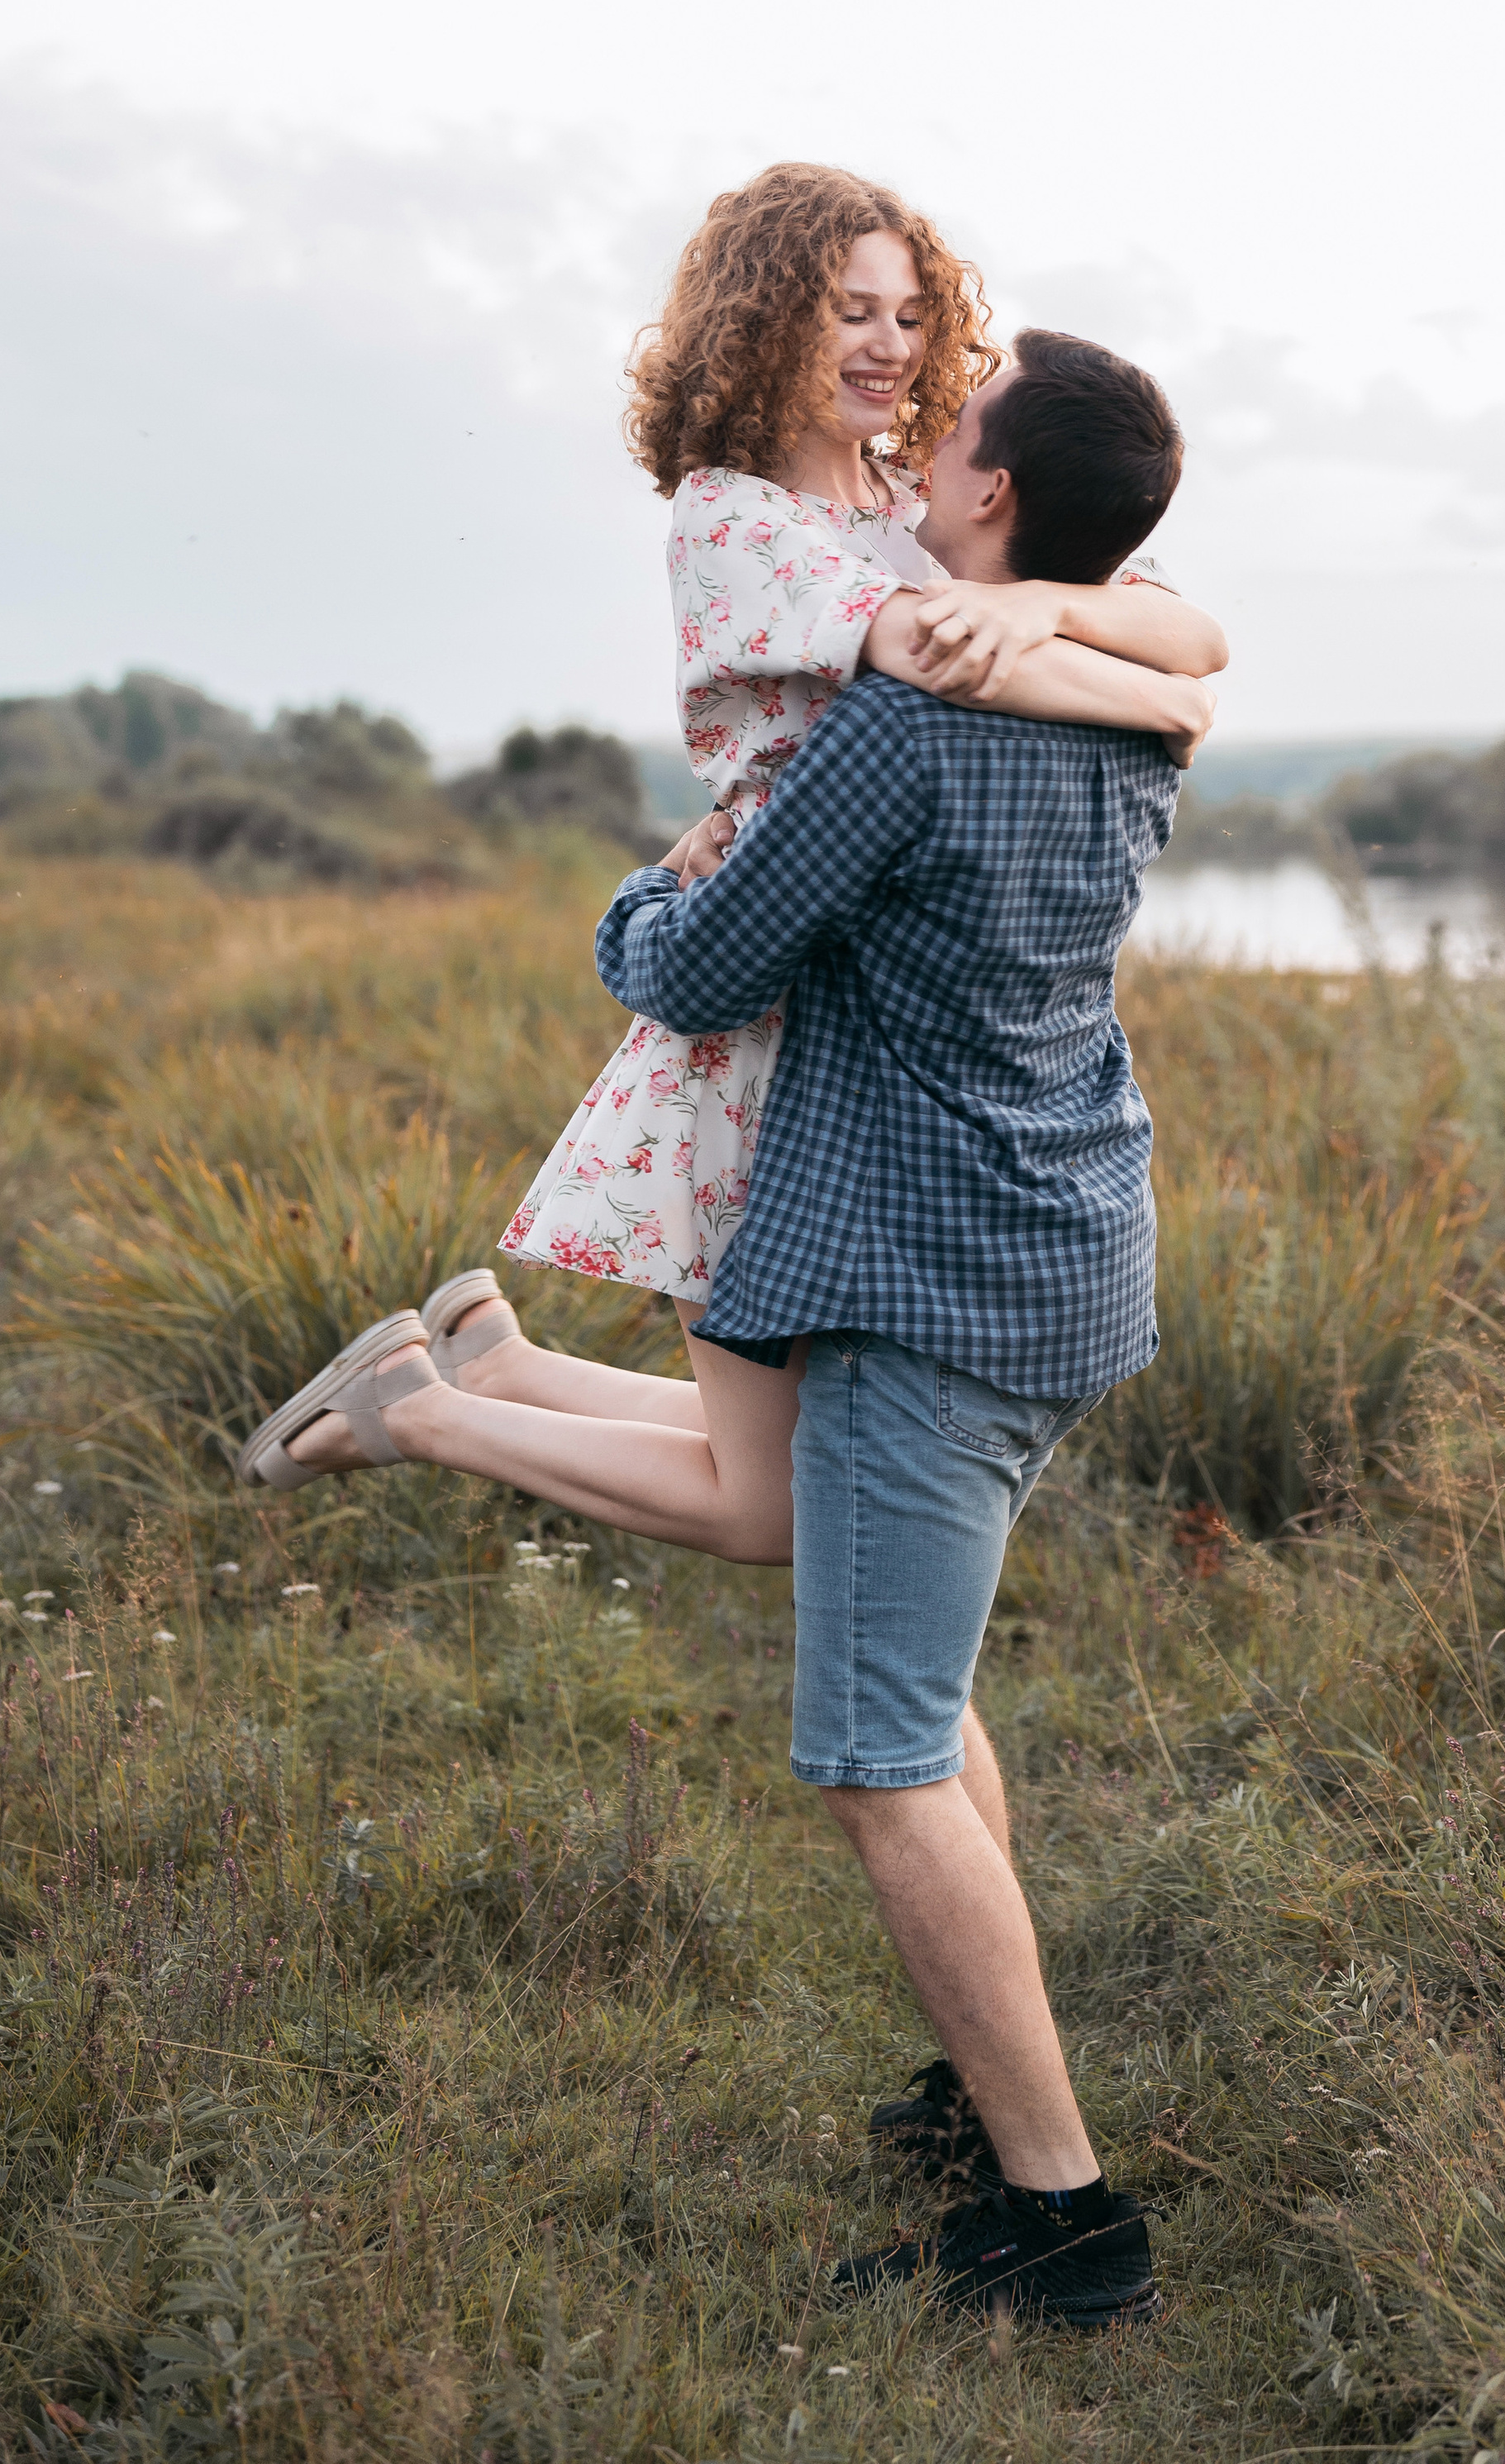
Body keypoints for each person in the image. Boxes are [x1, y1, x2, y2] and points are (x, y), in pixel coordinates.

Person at [241, 328, 1191, 2325]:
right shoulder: (1130, 710)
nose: (921, 438)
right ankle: (972, 2089)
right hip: (1063, 1251)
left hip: (922, 1279)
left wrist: (629, 901)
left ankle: (1065, 2225)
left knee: (874, 1757)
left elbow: (711, 964)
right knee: (920, 1703)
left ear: (992, 499)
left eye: (957, 428)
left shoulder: (903, 723)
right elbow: (1177, 642)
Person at [238, 165, 1223, 1573]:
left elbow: (1195, 647)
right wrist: (1119, 681)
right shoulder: (737, 519)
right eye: (848, 312)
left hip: (862, 1018)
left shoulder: (912, 491)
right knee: (770, 1503)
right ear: (765, 324)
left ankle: (498, 1375)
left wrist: (1078, 626)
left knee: (796, 1461)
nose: (889, 345)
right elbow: (924, 660)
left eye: (908, 311)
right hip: (765, 1016)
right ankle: (426, 1411)